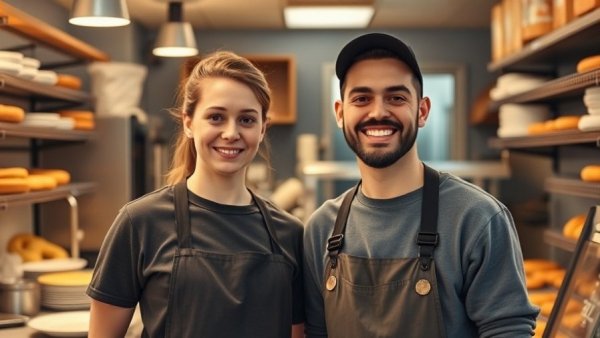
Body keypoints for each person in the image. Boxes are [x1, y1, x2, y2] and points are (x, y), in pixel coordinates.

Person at [303, 33, 539, 337]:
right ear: (340, 113)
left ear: (422, 111)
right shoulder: (322, 228)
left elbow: (509, 330)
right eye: (362, 98)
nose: (378, 112)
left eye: (396, 98)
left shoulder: (477, 218)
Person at [86, 51, 305, 338]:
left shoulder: (289, 233)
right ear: (189, 123)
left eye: (247, 120)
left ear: (263, 128)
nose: (231, 133)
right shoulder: (140, 222)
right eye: (216, 117)